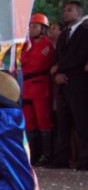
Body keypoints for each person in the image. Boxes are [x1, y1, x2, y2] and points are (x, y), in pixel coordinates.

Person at [49, 0, 88, 170]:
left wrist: (60, 68)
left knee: (82, 122)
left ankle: (85, 159)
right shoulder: (64, 34)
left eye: (69, 10)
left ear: (78, 13)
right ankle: (61, 158)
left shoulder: (85, 32)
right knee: (62, 123)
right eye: (64, 9)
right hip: (62, 83)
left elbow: (81, 56)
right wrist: (57, 73)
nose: (65, 12)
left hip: (78, 83)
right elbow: (57, 57)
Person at [20, 13, 56, 165]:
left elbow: (36, 63)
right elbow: (23, 62)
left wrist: (27, 63)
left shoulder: (47, 45)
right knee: (29, 122)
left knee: (43, 121)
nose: (31, 29)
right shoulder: (26, 44)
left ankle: (46, 155)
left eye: (34, 26)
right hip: (28, 86)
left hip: (40, 85)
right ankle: (33, 155)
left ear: (43, 28)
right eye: (30, 26)